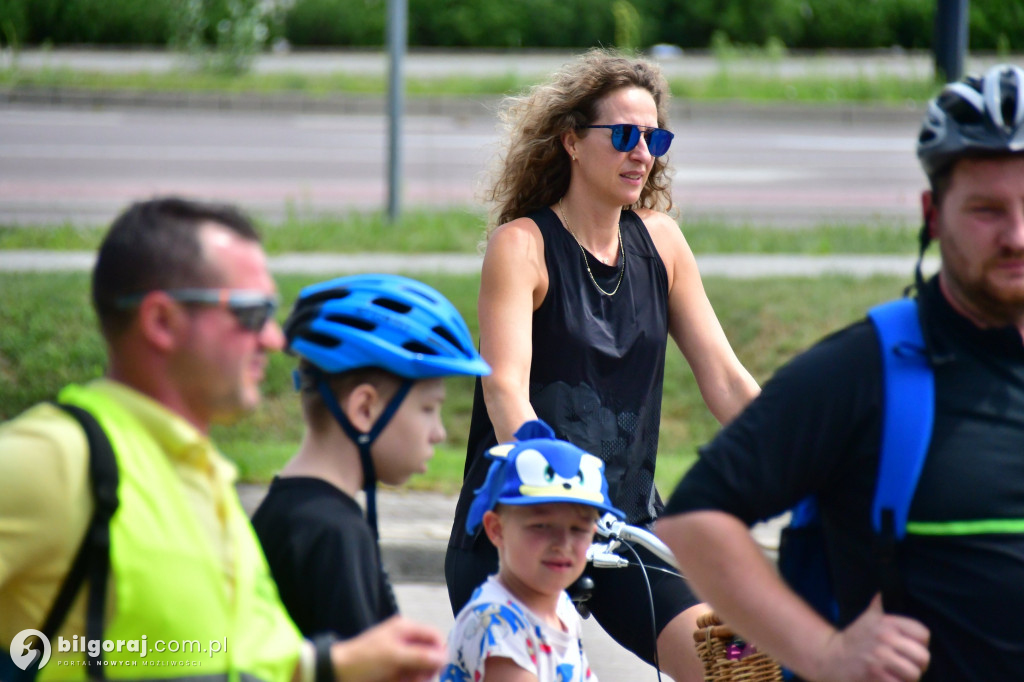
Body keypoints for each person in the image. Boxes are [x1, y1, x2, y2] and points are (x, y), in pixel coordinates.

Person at [655, 63, 1024, 682]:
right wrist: (823, 652)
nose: (1016, 235)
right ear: (933, 215)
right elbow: (695, 521)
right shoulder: (869, 370)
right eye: (987, 210)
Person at [0, 197, 447, 682]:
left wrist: (338, 665)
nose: (275, 339)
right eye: (252, 313)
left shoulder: (206, 477)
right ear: (161, 322)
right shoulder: (55, 459)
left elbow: (246, 657)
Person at [444, 48, 760, 680]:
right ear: (571, 142)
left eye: (654, 138)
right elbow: (505, 388)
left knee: (737, 669)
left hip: (626, 524)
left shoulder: (662, 244)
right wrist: (551, 489)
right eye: (623, 135)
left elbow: (724, 379)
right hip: (526, 521)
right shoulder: (523, 246)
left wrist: (815, 461)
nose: (642, 152)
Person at [252, 273, 491, 639]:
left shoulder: (297, 512)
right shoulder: (332, 535)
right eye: (428, 408)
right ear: (364, 408)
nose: (439, 432)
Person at [442, 419, 624, 682]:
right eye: (541, 526)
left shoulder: (561, 606)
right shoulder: (497, 624)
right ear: (496, 529)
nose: (563, 543)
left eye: (579, 529)